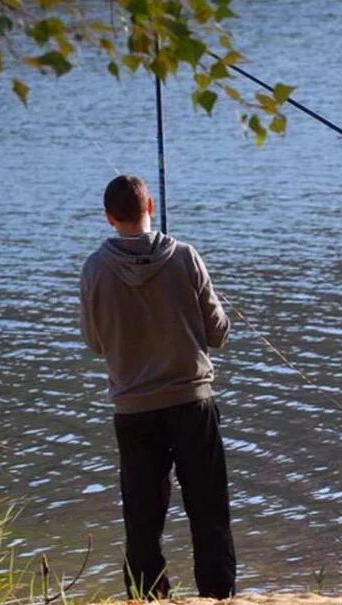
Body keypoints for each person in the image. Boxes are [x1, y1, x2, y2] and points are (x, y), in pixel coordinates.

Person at [78, 174, 235, 599]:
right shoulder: (185, 256)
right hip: (191, 402)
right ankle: (218, 595)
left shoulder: (94, 268)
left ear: (109, 217)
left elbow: (95, 343)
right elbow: (218, 333)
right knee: (209, 511)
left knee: (142, 520)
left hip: (133, 410)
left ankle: (149, 596)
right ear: (150, 207)